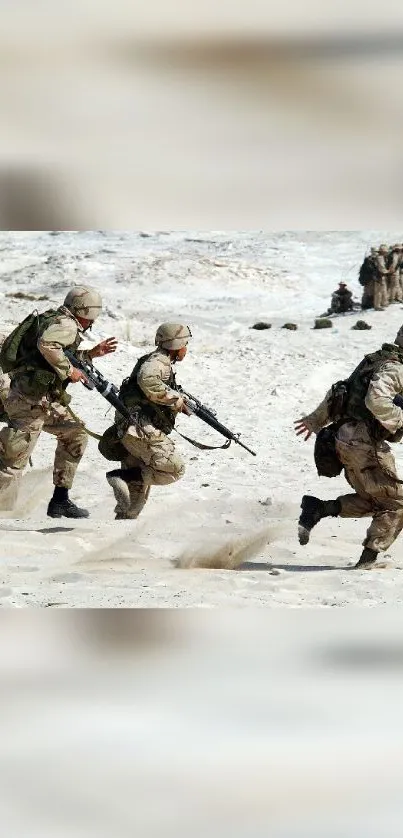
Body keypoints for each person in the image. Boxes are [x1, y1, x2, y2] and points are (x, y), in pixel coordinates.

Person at [0, 287, 117, 518]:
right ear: (84, 310)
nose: (92, 320)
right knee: (14, 460)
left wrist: (90, 354)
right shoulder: (67, 325)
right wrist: (69, 370)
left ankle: (60, 500)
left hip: (43, 402)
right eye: (92, 314)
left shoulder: (56, 319)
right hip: (28, 402)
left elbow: (53, 357)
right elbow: (48, 346)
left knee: (76, 434)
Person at [294, 324, 403, 569]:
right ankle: (368, 560)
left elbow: (341, 389)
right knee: (397, 503)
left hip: (344, 439)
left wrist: (316, 420)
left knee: (374, 500)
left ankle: (318, 508)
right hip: (363, 444)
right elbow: (375, 400)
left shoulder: (376, 360)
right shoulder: (396, 369)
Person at [101, 323, 192, 520]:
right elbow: (147, 379)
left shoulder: (157, 360)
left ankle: (119, 529)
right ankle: (120, 476)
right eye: (185, 343)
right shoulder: (159, 362)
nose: (186, 348)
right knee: (175, 469)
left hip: (132, 429)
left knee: (134, 503)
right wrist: (176, 400)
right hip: (140, 430)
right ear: (176, 345)